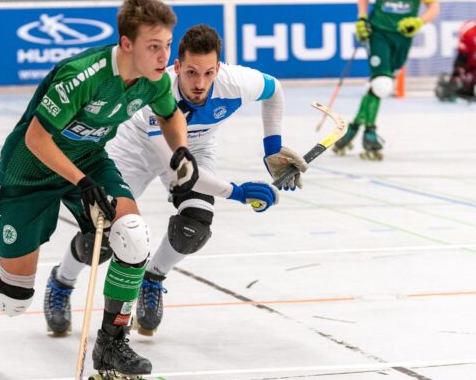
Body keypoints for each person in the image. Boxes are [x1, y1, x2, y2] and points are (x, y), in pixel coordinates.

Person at [0, 0, 199, 379]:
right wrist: (80, 182)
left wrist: (180, 148)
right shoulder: (82, 76)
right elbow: (36, 139)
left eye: (167, 44)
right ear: (126, 43)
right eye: (153, 46)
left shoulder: (154, 80)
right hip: (28, 172)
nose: (163, 56)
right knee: (14, 300)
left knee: (132, 235)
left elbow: (170, 114)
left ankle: (111, 342)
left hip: (87, 160)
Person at [44, 24, 305, 336]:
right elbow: (182, 169)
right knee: (98, 239)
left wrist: (272, 149)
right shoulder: (157, 90)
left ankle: (152, 279)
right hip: (139, 149)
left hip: (198, 148)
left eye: (208, 73)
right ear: (177, 66)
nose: (200, 83)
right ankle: (61, 281)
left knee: (194, 227)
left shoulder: (235, 82)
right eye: (192, 72)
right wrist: (237, 192)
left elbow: (275, 90)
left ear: (219, 68)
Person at [334, 0, 439, 160]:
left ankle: (352, 129)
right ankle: (370, 134)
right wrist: (362, 17)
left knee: (379, 85)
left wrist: (419, 22)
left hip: (403, 37)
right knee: (381, 83)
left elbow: (434, 7)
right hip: (378, 33)